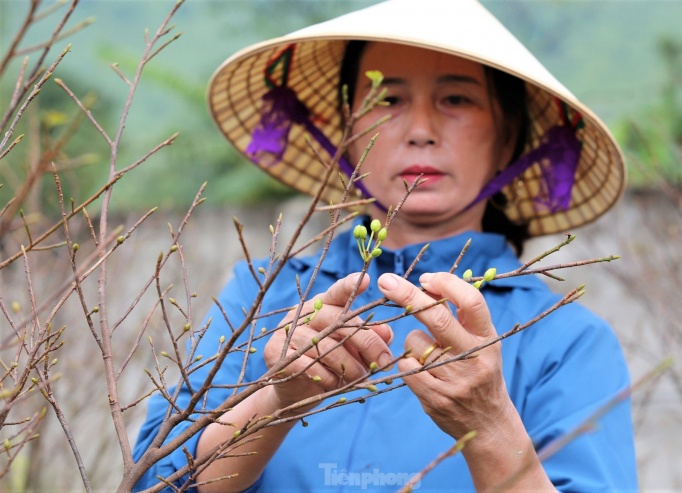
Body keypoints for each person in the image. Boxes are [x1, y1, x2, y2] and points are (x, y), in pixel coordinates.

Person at [133, 1, 637, 491]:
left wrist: (491, 425)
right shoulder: (261, 296)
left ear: (508, 138)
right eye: (388, 100)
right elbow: (153, 484)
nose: (421, 131)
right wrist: (275, 396)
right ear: (347, 130)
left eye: (456, 100)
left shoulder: (564, 340)